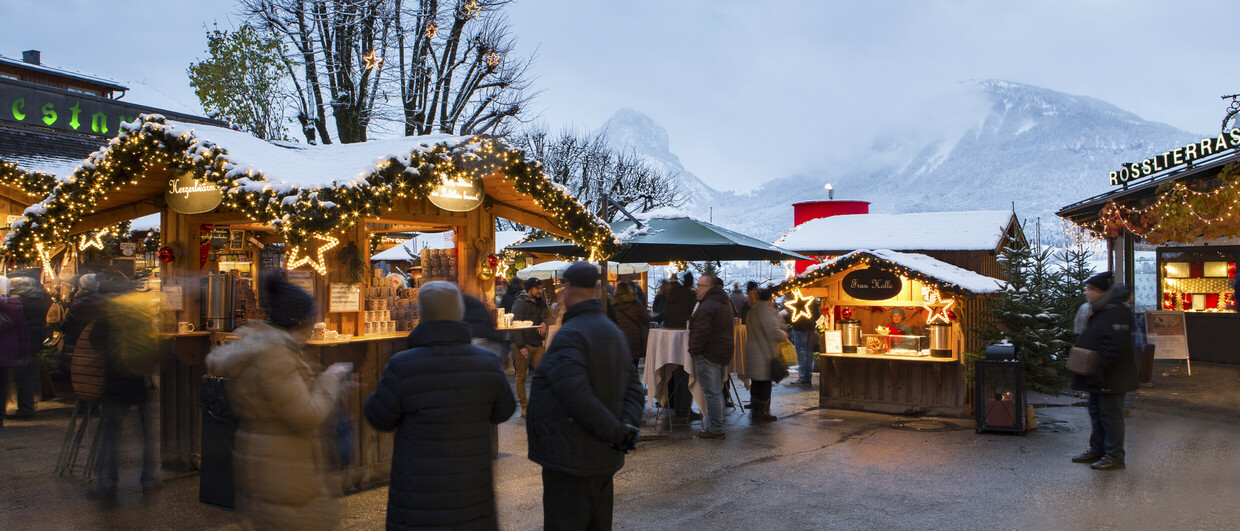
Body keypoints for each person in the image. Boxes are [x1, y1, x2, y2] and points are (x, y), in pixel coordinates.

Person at [365, 281, 517, 530]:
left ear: (422, 313)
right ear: (458, 312)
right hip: (471, 492)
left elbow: (378, 416)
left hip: (417, 496)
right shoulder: (486, 362)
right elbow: (505, 410)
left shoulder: (402, 364)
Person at [206, 273, 349, 529]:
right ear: (299, 321)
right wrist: (330, 380)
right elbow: (305, 415)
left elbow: (277, 400)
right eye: (310, 320)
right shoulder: (276, 357)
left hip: (265, 462)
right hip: (287, 473)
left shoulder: (258, 346)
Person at [526, 261, 643, 530]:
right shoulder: (614, 332)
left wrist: (617, 431)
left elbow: (577, 397)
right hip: (603, 459)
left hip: (572, 460)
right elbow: (634, 390)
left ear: (567, 288)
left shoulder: (570, 335)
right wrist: (625, 428)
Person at [90, 273, 161, 503]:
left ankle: (108, 483)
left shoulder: (110, 311)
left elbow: (95, 341)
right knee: (146, 434)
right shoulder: (139, 310)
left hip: (116, 379)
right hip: (139, 379)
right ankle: (150, 479)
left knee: (111, 435)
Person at [1070, 272, 1138, 471]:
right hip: (1097, 375)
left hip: (1112, 376)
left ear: (1101, 291)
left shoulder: (1117, 312)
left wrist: (1100, 367)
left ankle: (1115, 455)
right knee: (1096, 412)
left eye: (1090, 289)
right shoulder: (1099, 310)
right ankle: (1098, 449)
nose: (1086, 293)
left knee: (1111, 415)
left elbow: (1116, 346)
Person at [688, 273, 734, 439]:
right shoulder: (723, 302)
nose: (697, 289)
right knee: (716, 391)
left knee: (712, 392)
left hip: (708, 352)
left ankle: (715, 428)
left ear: (709, 288)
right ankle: (716, 425)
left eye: (701, 286)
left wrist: (694, 349)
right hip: (721, 351)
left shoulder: (707, 305)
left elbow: (701, 331)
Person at [7, 274, 49, 419]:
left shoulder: (19, 300)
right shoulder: (39, 297)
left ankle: (26, 408)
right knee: (29, 373)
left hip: (24, 340)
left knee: (22, 375)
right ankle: (29, 405)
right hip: (35, 339)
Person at [745, 288, 784, 422]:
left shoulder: (753, 311)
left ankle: (756, 407)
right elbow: (773, 332)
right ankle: (762, 411)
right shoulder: (766, 312)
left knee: (756, 382)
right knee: (765, 383)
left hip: (753, 351)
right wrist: (784, 334)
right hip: (764, 353)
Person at [510, 277, 548, 417]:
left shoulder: (540, 302)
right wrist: (521, 346)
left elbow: (547, 316)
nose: (540, 291)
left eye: (541, 288)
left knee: (544, 373)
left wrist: (544, 323)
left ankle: (540, 403)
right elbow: (515, 325)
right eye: (537, 288)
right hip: (522, 344)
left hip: (537, 344)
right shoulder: (520, 302)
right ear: (530, 289)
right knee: (521, 377)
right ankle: (524, 407)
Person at [0, 277, 30, 428]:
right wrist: (23, 352)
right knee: (2, 385)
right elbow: (23, 331)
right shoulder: (16, 306)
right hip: (7, 354)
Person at [608, 281, 651, 366]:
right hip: (635, 339)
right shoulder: (635, 304)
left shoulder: (613, 306)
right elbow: (645, 318)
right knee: (634, 367)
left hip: (619, 338)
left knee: (621, 366)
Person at [788, 295, 819, 386]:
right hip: (811, 328)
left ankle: (802, 377)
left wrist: (792, 322)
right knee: (809, 353)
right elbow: (817, 315)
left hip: (799, 328)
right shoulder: (811, 299)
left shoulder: (793, 299)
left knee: (801, 353)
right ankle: (808, 377)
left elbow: (790, 315)